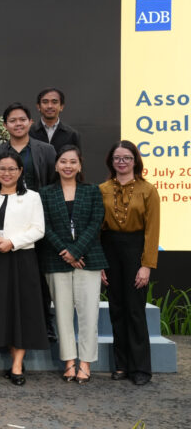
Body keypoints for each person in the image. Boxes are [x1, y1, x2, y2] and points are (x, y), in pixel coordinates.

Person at [0, 150, 48, 386]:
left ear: (20, 171)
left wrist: (12, 242)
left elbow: (39, 229)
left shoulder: (32, 197)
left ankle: (17, 364)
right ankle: (12, 354)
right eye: (2, 168)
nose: (6, 173)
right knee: (3, 310)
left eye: (11, 169)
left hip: (22, 259)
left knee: (21, 312)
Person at [39, 145, 107, 384]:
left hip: (89, 260)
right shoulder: (45, 193)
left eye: (73, 162)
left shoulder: (92, 191)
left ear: (80, 166)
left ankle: (86, 363)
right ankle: (69, 362)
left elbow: (96, 222)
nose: (68, 166)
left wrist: (77, 251)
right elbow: (44, 226)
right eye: (63, 162)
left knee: (89, 314)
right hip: (56, 260)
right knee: (63, 314)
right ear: (56, 165)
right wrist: (65, 252)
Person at [0, 102, 58, 341]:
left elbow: (52, 185)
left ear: (30, 122)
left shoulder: (46, 150)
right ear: (6, 125)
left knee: (39, 276)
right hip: (6, 222)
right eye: (12, 120)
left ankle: (45, 323)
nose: (18, 124)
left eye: (22, 119)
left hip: (35, 220)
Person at [100, 141, 160, 386]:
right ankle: (122, 365)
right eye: (117, 158)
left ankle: (141, 368)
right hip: (110, 249)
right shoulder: (102, 189)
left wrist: (146, 265)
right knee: (116, 309)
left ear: (135, 161)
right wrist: (100, 263)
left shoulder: (148, 190)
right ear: (111, 162)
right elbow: (97, 229)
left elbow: (152, 231)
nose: (121, 162)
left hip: (136, 250)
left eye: (126, 158)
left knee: (135, 310)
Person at [30, 88, 82, 153]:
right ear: (38, 107)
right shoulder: (29, 132)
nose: (49, 106)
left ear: (61, 107)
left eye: (54, 102)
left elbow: (76, 160)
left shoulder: (72, 134)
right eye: (45, 102)